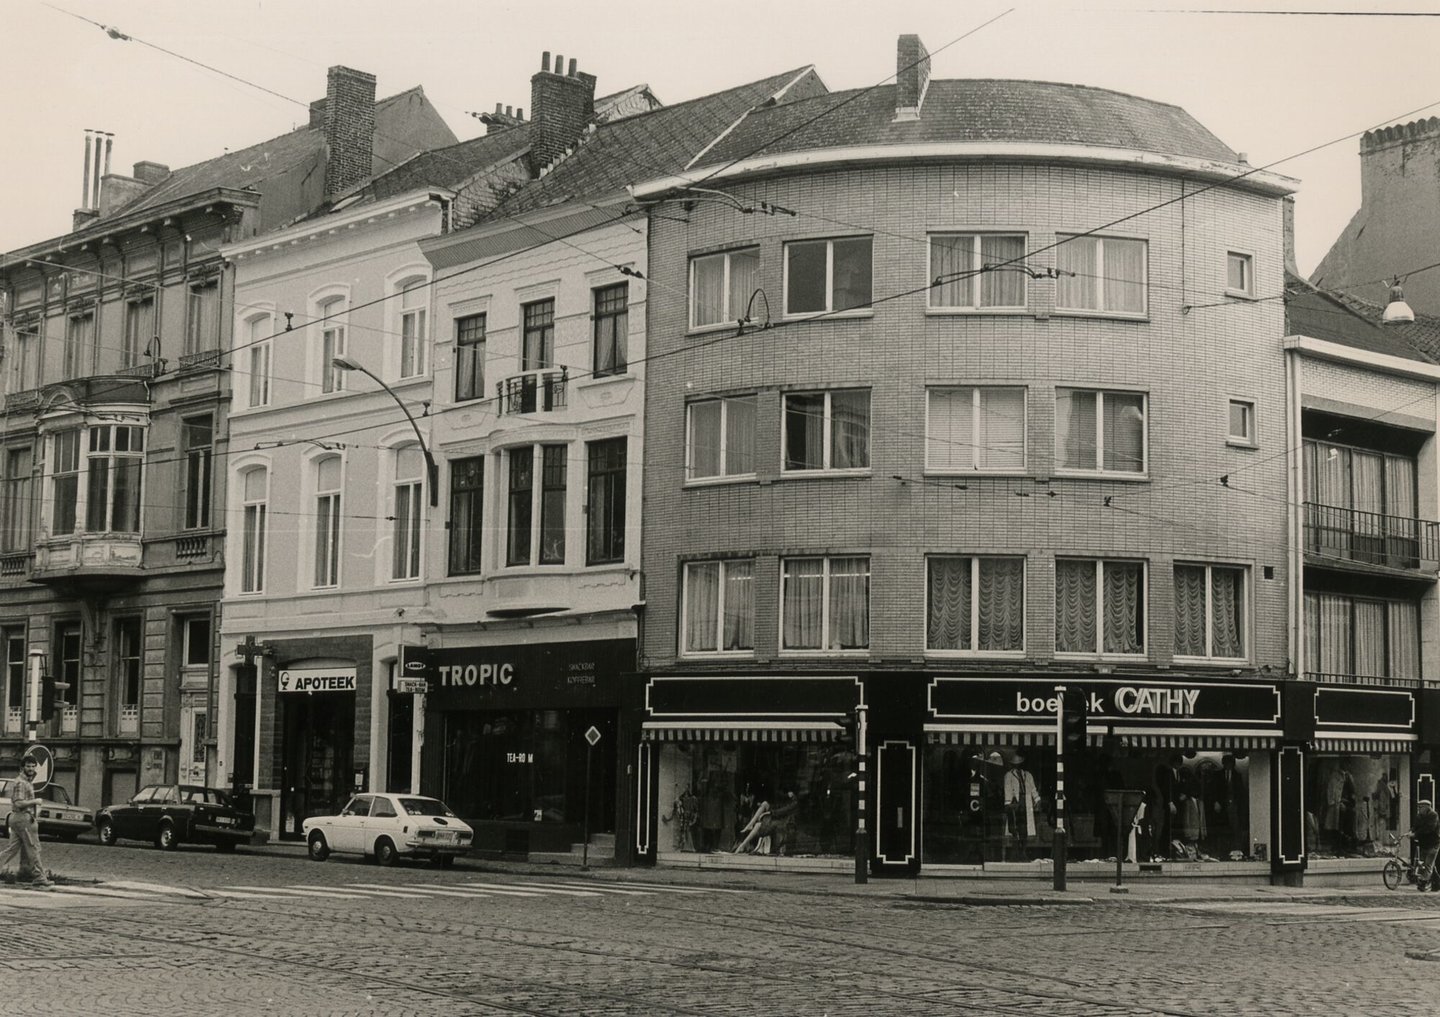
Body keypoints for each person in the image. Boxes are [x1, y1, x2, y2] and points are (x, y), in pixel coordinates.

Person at [0, 755, 54, 889]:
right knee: (33, 848)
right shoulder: (21, 782)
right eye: (28, 766)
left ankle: (38, 877)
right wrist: (35, 801)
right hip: (22, 818)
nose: (31, 769)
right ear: (22, 767)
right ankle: (40, 877)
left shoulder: (27, 782)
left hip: (19, 818)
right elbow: (18, 803)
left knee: (12, 849)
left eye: (33, 766)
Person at [1406, 799, 1440, 892]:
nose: (1419, 809)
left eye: (1421, 807)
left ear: (1427, 807)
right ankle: (1437, 884)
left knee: (1428, 864)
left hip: (1433, 843)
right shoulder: (1419, 816)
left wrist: (1415, 834)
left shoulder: (1433, 815)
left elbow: (1428, 828)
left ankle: (1423, 884)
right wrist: (1411, 831)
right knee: (1426, 864)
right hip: (1424, 844)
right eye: (1418, 807)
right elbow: (1416, 826)